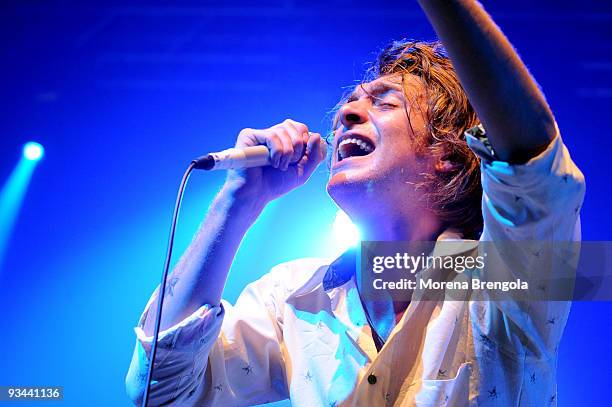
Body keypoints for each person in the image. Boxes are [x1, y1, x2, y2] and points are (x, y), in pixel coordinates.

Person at [126, 1, 585, 405]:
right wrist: (238, 201)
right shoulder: (295, 295)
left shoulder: (500, 285)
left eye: (385, 103)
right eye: (350, 103)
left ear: (447, 153)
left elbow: (532, 165)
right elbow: (163, 390)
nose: (346, 115)